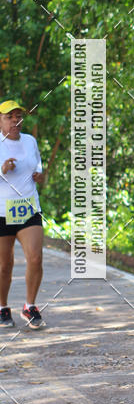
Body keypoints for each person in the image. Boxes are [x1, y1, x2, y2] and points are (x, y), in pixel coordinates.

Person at [0, 100, 45, 329]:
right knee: (4, 265)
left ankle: (30, 305)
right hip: (2, 212)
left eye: (18, 116)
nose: (15, 121)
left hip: (28, 208)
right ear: (0, 120)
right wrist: (2, 170)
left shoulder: (30, 141)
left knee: (36, 258)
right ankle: (2, 307)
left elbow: (39, 169)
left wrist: (40, 176)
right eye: (9, 117)